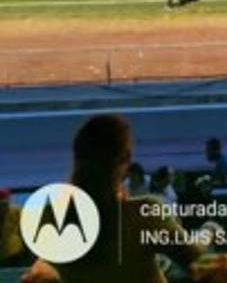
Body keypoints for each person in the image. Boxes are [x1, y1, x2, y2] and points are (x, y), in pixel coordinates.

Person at [23, 115, 203, 283]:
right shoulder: (145, 214)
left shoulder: (50, 218)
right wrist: (209, 230)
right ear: (126, 157)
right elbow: (195, 259)